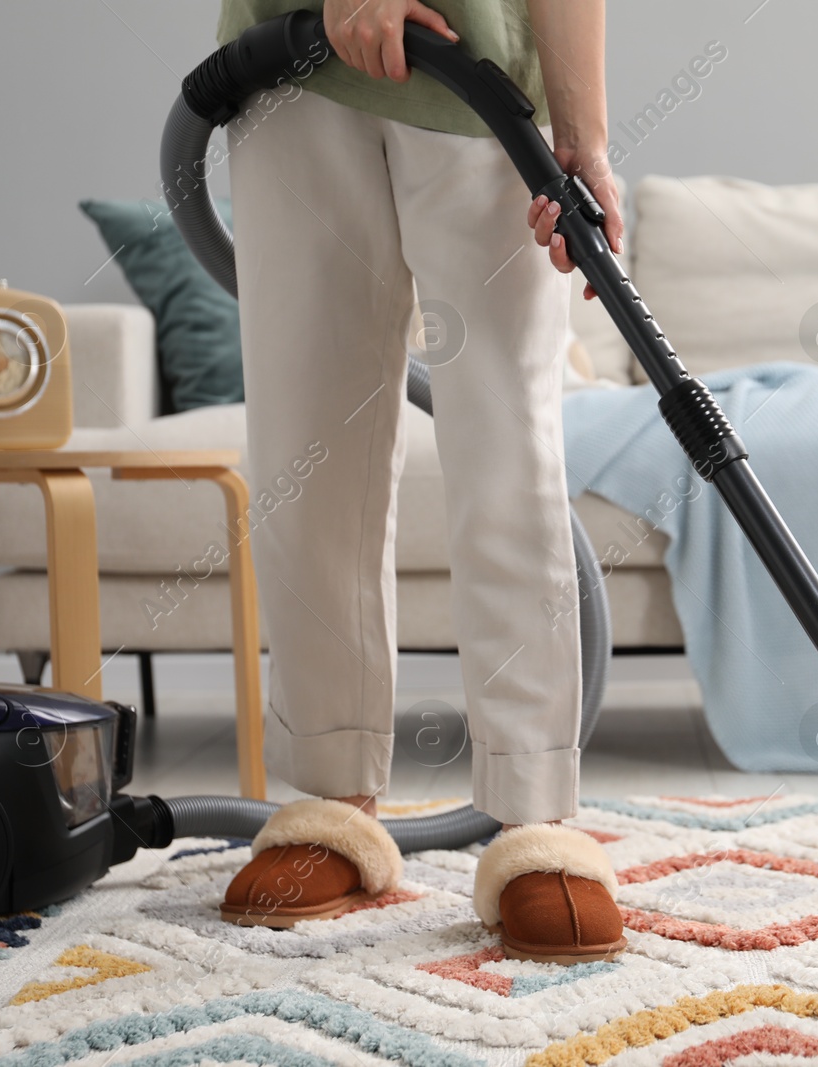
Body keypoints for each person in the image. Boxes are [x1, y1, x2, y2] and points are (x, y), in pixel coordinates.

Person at [214, 0, 627, 962]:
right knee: (306, 441)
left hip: (475, 73)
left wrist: (585, 139)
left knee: (509, 443)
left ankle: (533, 816)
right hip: (290, 69)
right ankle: (330, 802)